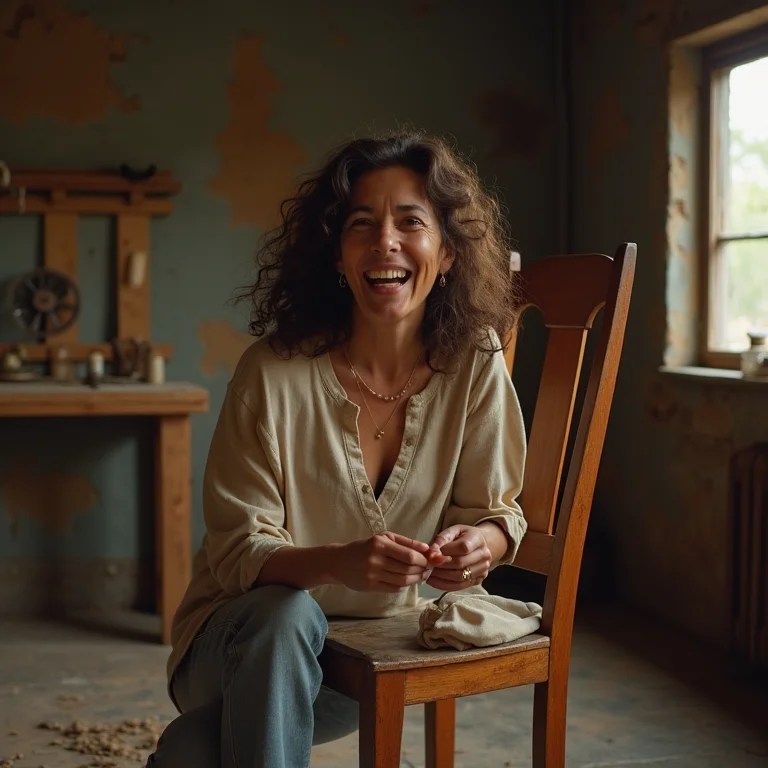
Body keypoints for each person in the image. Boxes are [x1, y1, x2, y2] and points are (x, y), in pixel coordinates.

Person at [146, 130, 528, 768]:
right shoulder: (270, 373)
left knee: (192, 752)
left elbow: (495, 511)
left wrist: (475, 548)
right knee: (286, 615)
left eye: (411, 222)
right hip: (233, 641)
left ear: (448, 252)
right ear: (336, 256)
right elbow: (239, 551)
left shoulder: (476, 362)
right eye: (361, 224)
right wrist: (340, 562)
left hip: (358, 657)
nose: (386, 242)